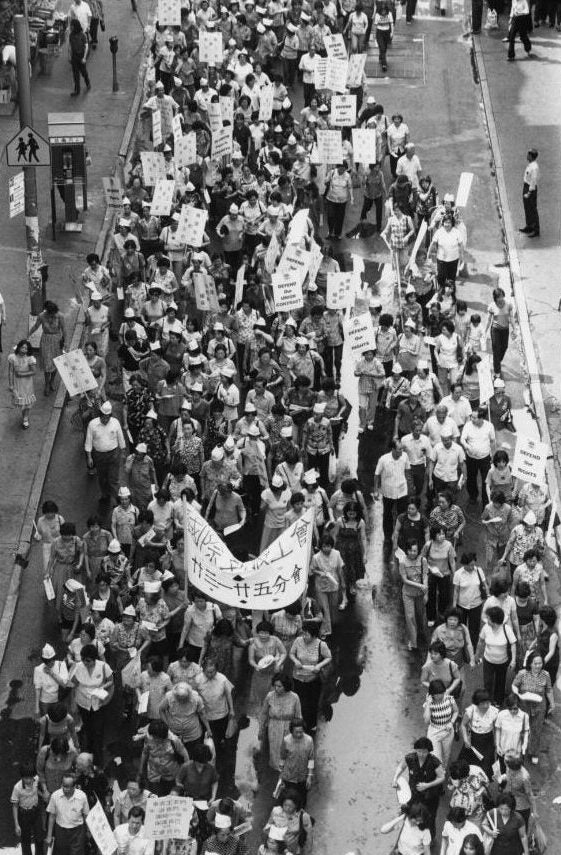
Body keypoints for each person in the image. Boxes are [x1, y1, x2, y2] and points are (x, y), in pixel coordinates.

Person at [392, 737, 445, 837]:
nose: (421, 754)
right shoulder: (410, 758)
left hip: (430, 796)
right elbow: (401, 767)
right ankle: (411, 836)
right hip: (413, 795)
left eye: (424, 752)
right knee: (411, 815)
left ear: (429, 751)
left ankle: (430, 839)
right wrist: (395, 778)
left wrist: (427, 785)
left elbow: (441, 777)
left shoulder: (434, 762)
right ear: (415, 750)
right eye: (419, 751)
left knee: (430, 819)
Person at [511, 650, 554, 764]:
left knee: (536, 730)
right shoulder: (522, 673)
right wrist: (518, 694)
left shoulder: (546, 675)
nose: (538, 666)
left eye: (540, 663)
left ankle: (533, 752)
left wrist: (552, 704)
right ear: (530, 663)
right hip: (524, 706)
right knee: (521, 729)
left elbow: (549, 689)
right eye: (535, 663)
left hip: (540, 707)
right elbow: (514, 686)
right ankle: (519, 750)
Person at [290, 621, 331, 732]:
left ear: (313, 635)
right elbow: (291, 653)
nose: (304, 636)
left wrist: (319, 665)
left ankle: (311, 724)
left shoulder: (321, 645)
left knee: (312, 703)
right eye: (303, 633)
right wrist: (295, 661)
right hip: (298, 677)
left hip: (313, 679)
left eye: (306, 634)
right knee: (299, 701)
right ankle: (298, 724)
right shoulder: (298, 641)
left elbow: (328, 657)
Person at [84, 401, 126, 506]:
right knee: (102, 478)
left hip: (114, 454)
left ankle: (117, 499)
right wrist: (89, 457)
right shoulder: (92, 424)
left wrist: (123, 452)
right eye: (104, 417)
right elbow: (88, 441)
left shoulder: (115, 422)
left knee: (113, 479)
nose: (106, 420)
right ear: (100, 415)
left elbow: (121, 438)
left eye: (108, 417)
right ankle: (105, 494)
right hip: (99, 455)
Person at [475, 606, 517, 706]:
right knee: (488, 682)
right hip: (488, 660)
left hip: (502, 661)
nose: (486, 620)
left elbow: (513, 644)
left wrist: (513, 660)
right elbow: (480, 642)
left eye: (488, 618)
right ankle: (487, 700)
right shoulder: (486, 628)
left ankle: (498, 701)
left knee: (500, 682)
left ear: (494, 620)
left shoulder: (506, 629)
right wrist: (477, 655)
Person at [259, 674, 302, 770]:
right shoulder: (270, 696)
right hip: (274, 726)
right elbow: (263, 714)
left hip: (289, 726)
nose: (276, 688)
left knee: (288, 749)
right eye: (275, 686)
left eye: (279, 686)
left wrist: (298, 732)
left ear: (286, 686)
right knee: (275, 749)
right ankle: (275, 771)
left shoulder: (294, 697)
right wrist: (261, 729)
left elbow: (298, 716)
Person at [374, 439, 411, 540]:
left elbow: (407, 471)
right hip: (388, 491)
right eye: (399, 449)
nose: (401, 451)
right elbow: (377, 475)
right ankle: (387, 535)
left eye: (402, 449)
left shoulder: (405, 456)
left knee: (402, 513)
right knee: (387, 514)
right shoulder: (383, 460)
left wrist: (410, 485)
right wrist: (376, 490)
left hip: (402, 490)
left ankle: (401, 534)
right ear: (393, 449)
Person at [45, 773, 89, 855]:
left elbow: (86, 815)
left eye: (68, 787)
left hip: (77, 832)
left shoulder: (82, 796)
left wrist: (88, 831)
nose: (65, 789)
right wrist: (49, 835)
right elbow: (52, 816)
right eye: (64, 786)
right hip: (61, 832)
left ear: (74, 786)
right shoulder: (55, 796)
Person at [460, 689, 498, 779]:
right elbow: (463, 725)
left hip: (488, 741)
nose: (485, 706)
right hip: (474, 740)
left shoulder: (494, 711)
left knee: (486, 766)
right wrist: (465, 739)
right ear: (477, 703)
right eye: (482, 704)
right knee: (471, 765)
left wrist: (496, 741)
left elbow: (496, 728)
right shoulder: (470, 711)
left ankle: (483, 785)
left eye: (488, 703)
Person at [398, 540, 428, 651]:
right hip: (408, 594)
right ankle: (413, 641)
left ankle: (421, 633)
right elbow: (405, 580)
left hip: (420, 594)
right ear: (407, 550)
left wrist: (425, 587)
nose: (412, 553)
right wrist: (420, 585)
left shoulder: (423, 560)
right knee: (410, 617)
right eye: (410, 550)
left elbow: (425, 575)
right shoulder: (403, 562)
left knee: (420, 616)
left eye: (415, 550)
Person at [423, 679, 458, 769]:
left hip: (448, 731)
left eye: (442, 692)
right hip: (434, 732)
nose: (441, 695)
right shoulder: (429, 704)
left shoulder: (449, 699)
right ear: (432, 694)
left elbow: (456, 711)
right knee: (435, 758)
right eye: (438, 694)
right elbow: (426, 721)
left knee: (446, 754)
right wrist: (428, 704)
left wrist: (451, 722)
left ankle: (444, 770)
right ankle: (438, 773)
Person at [278, 719, 315, 806]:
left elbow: (311, 759)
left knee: (302, 801)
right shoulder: (286, 740)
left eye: (301, 732)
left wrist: (309, 777)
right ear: (291, 731)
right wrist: (280, 775)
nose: (299, 734)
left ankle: (300, 817)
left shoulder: (309, 740)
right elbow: (282, 757)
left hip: (303, 777)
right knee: (290, 800)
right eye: (296, 732)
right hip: (289, 777)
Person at [11, 763, 44, 855]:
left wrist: (43, 794)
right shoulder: (17, 788)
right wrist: (17, 824)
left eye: (30, 778)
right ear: (22, 777)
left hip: (36, 811)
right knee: (25, 839)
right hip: (24, 814)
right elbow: (14, 806)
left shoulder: (36, 779)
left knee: (39, 837)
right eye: (26, 778)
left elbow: (36, 789)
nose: (29, 780)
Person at [8, 340, 36, 429]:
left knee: (27, 402)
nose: (24, 350)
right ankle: (24, 416)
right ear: (19, 347)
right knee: (21, 402)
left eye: (26, 348)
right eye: (22, 347)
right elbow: (11, 371)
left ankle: (25, 419)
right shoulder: (12, 358)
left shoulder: (30, 358)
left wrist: (21, 374)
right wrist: (11, 384)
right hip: (17, 384)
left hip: (27, 384)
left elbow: (34, 371)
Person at [495, 694, 530, 765]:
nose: (512, 711)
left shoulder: (524, 716)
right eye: (510, 708)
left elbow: (526, 732)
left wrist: (523, 748)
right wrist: (498, 745)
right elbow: (498, 730)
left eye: (515, 708)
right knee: (502, 772)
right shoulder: (501, 715)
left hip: (517, 753)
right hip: (503, 750)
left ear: (519, 706)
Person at [519, 148, 539, 236]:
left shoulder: (534, 167)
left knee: (532, 209)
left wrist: (529, 192)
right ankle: (529, 226)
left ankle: (535, 229)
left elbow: (533, 181)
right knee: (527, 208)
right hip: (526, 186)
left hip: (530, 189)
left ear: (531, 156)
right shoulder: (530, 165)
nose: (527, 156)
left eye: (528, 155)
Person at [68, 18, 91, 96]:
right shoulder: (71, 35)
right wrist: (69, 56)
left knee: (83, 72)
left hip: (81, 56)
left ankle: (87, 82)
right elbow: (70, 46)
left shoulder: (82, 35)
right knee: (75, 74)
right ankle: (77, 90)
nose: (70, 27)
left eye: (72, 26)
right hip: (74, 56)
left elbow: (86, 46)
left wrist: (84, 58)